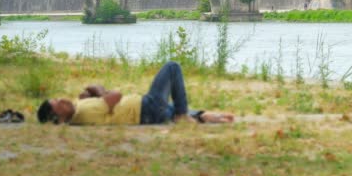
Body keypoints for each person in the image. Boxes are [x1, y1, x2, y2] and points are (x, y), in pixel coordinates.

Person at [37, 61, 234, 125]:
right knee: (172, 67)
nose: (63, 99)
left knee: (170, 111)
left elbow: (98, 103)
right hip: (147, 108)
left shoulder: (78, 112)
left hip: (148, 112)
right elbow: (115, 96)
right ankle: (184, 114)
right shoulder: (84, 113)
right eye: (59, 104)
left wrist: (90, 96)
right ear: (58, 119)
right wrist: (99, 91)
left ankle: (204, 116)